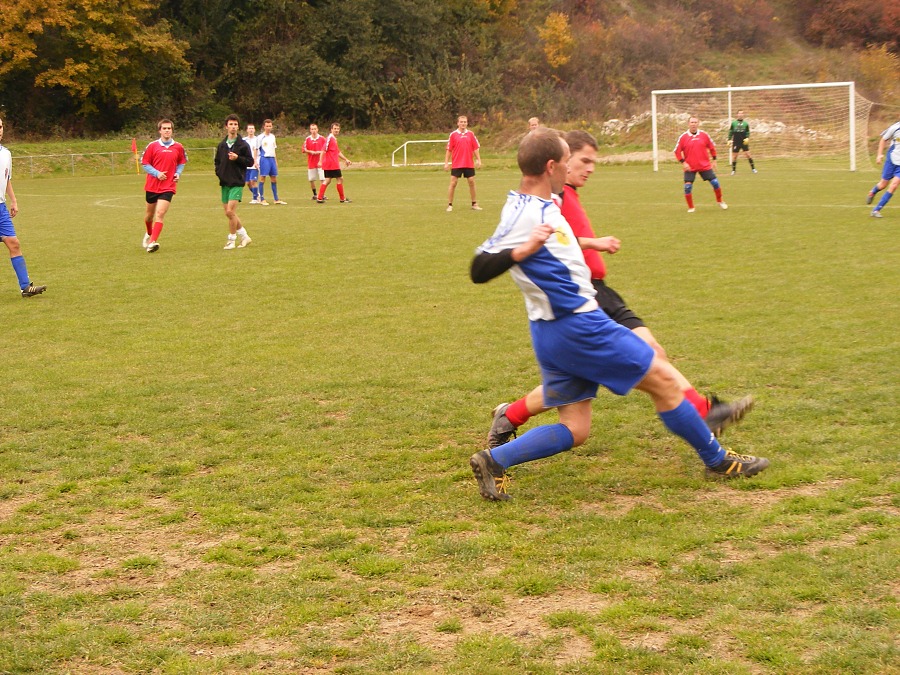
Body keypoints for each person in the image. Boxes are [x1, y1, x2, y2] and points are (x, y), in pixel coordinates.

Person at [468, 127, 768, 501]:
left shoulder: (535, 203)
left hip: (553, 332)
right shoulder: (526, 214)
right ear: (551, 166)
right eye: (567, 161)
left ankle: (493, 460)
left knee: (576, 428)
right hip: (579, 326)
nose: (572, 168)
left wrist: (584, 244)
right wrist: (520, 252)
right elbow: (479, 268)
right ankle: (718, 460)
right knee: (665, 382)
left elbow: (553, 246)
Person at [0, 117, 46, 298]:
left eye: (1, 126)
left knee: (14, 243)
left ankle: (25, 287)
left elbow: (6, 178)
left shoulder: (6, 154)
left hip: (1, 208)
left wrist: (13, 200)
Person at [140, 118, 188, 253]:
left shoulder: (178, 147)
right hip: (152, 185)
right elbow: (145, 163)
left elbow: (182, 162)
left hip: (168, 186)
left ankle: (152, 242)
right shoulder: (152, 146)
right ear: (160, 130)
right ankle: (149, 233)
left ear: (172, 130)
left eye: (169, 128)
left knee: (160, 213)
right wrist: (157, 173)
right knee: (149, 216)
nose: (167, 130)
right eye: (164, 128)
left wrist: (178, 173)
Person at [215, 114, 254, 250]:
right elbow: (217, 162)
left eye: (235, 124)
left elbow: (250, 161)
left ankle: (231, 240)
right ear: (226, 126)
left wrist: (238, 158)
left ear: (238, 127)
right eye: (231, 124)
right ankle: (244, 236)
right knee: (229, 213)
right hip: (225, 182)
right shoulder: (221, 145)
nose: (233, 127)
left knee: (230, 211)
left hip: (237, 182)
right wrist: (219, 173)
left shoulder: (243, 145)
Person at [674, 116, 727, 213]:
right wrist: (683, 162)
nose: (693, 124)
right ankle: (691, 208)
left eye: (695, 122)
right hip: (690, 167)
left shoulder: (704, 135)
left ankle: (720, 201)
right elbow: (676, 152)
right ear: (688, 124)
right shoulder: (683, 137)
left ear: (698, 123)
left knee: (715, 182)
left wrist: (714, 160)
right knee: (687, 187)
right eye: (691, 122)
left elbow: (712, 148)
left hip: (704, 165)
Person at [444, 115, 482, 212]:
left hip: (468, 163)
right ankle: (450, 205)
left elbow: (475, 148)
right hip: (457, 163)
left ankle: (474, 203)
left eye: (465, 122)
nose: (463, 123)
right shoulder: (453, 135)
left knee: (471, 181)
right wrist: (446, 163)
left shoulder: (471, 134)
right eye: (461, 122)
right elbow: (449, 149)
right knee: (453, 183)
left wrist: (478, 160)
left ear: (467, 123)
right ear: (458, 123)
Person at [866, 120, 900, 218]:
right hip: (892, 161)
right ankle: (873, 192)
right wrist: (879, 155)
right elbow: (883, 139)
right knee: (883, 184)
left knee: (894, 185)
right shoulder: (895, 128)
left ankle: (876, 210)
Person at [317, 122, 352, 204]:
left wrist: (346, 159)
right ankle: (342, 199)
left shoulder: (334, 139)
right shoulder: (329, 138)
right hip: (332, 163)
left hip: (331, 163)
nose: (336, 130)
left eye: (338, 129)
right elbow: (323, 150)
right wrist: (320, 161)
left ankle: (319, 197)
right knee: (340, 179)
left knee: (328, 180)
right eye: (335, 129)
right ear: (331, 129)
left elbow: (337, 152)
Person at [257, 119, 287, 205]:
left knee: (274, 178)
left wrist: (275, 161)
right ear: (264, 127)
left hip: (272, 159)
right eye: (267, 126)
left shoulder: (273, 136)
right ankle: (261, 199)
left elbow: (274, 149)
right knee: (262, 178)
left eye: (270, 126)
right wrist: (256, 160)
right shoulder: (260, 137)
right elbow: (256, 149)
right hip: (264, 159)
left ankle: (276, 199)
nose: (268, 128)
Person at [727, 110, 757, 175]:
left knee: (748, 155)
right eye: (739, 113)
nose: (740, 114)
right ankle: (733, 170)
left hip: (743, 142)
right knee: (734, 157)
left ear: (743, 115)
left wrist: (747, 138)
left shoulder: (746, 124)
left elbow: (748, 132)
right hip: (736, 142)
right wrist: (729, 139)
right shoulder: (733, 123)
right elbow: (731, 131)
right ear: (737, 115)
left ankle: (753, 169)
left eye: (742, 113)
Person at [303, 123, 327, 201]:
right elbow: (304, 149)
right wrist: (311, 152)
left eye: (315, 129)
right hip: (311, 162)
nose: (313, 131)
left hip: (321, 162)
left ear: (317, 129)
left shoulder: (322, 138)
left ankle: (322, 194)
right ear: (310, 130)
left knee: (322, 178)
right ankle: (315, 194)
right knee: (312, 179)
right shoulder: (307, 139)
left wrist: (319, 152)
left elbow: (326, 149)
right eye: (312, 129)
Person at [243, 123, 261, 204]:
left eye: (252, 128)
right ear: (247, 130)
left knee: (253, 181)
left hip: (255, 163)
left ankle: (255, 198)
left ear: (254, 130)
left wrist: (257, 161)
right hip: (246, 164)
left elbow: (259, 151)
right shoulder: (244, 140)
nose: (251, 130)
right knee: (247, 183)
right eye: (249, 128)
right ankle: (257, 194)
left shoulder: (258, 139)